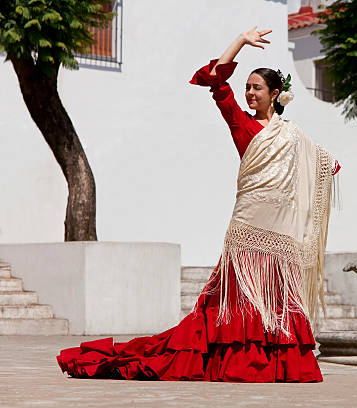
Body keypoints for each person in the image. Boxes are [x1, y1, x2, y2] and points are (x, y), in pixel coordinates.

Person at [56, 27, 339, 383]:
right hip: (248, 228)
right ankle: (237, 363)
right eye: (247, 88)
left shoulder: (293, 135)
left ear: (275, 94)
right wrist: (239, 41)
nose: (249, 93)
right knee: (239, 297)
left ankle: (276, 364)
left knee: (277, 298)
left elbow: (323, 163)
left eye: (256, 88)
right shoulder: (241, 122)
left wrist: (326, 167)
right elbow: (216, 81)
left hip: (280, 232)